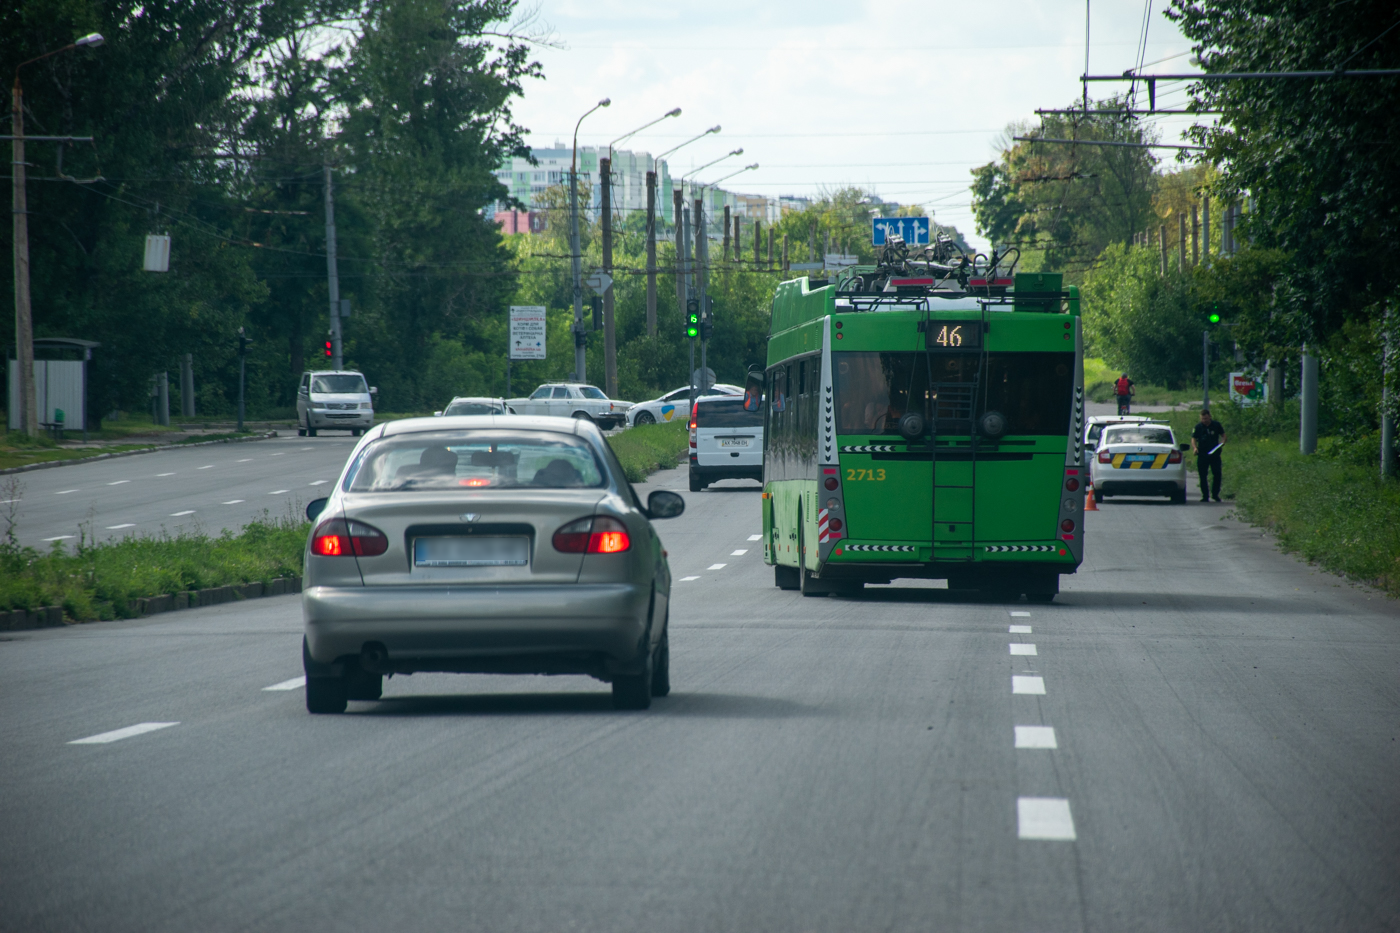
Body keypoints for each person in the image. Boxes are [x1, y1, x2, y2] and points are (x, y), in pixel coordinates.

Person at [1190, 409, 1227, 502]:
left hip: (1215, 454)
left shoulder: (1216, 425)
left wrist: (1222, 442)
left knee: (1217, 474)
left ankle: (1215, 494)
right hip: (1202, 454)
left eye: (1206, 418)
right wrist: (1195, 448)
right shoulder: (1198, 427)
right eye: (1202, 419)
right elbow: (1193, 438)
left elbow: (1223, 435)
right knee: (1203, 476)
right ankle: (1205, 496)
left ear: (1210, 417)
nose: (1204, 420)